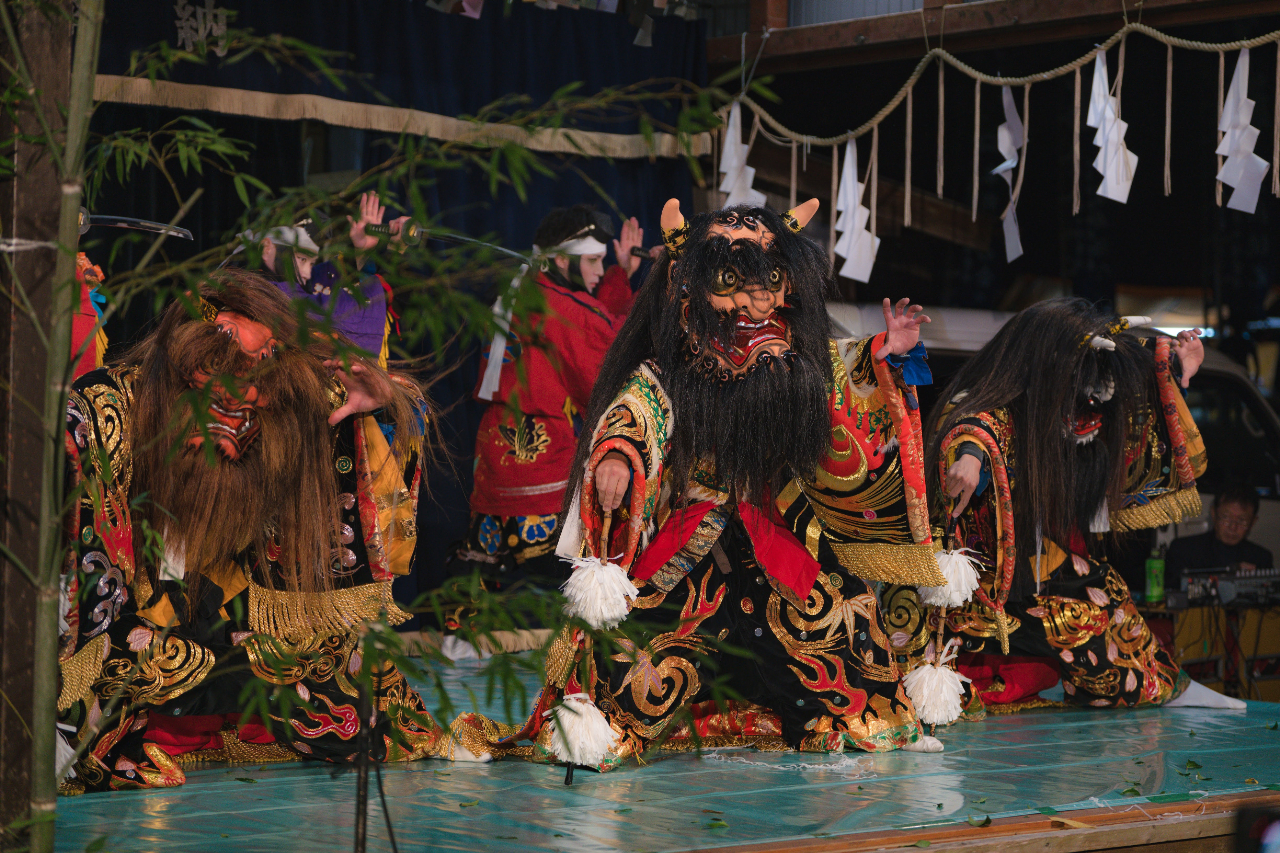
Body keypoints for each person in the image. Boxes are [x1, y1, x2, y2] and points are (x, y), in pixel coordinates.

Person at [448, 197, 948, 770]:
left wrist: (884, 352)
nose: (755, 302)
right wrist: (617, 456)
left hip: (777, 530)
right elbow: (640, 405)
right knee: (630, 670)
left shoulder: (793, 355)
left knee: (841, 635)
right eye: (734, 283)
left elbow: (839, 375)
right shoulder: (676, 362)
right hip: (691, 540)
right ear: (693, 289)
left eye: (769, 284)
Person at [55, 269, 479, 794]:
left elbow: (385, 401)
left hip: (220, 603)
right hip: (128, 616)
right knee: (109, 698)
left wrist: (383, 396)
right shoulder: (110, 409)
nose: (230, 434)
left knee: (351, 710)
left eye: (246, 411)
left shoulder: (282, 403)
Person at [896, 299, 1244, 716]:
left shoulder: (1052, 411)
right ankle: (1138, 687)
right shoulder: (986, 408)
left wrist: (1170, 370)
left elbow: (1121, 420)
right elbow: (976, 428)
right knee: (1083, 619)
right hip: (975, 578)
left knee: (1106, 586)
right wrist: (970, 460)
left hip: (1025, 564)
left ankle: (1163, 685)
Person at [457, 205, 643, 587]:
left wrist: (618, 274)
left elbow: (588, 324)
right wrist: (659, 288)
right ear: (561, 259)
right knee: (555, 596)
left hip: (493, 461)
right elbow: (605, 365)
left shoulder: (523, 288)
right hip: (542, 468)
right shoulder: (562, 306)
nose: (597, 271)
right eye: (592, 261)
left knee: (484, 588)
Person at [1167, 485, 1274, 583]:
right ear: (1213, 514)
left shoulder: (1260, 559)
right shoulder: (1184, 550)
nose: (1233, 527)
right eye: (1226, 517)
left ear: (1253, 522)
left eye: (1242, 521)